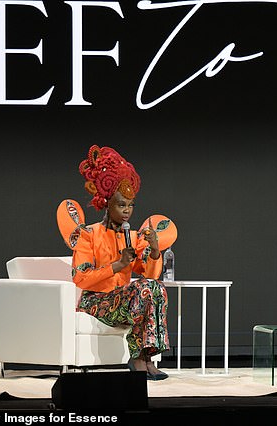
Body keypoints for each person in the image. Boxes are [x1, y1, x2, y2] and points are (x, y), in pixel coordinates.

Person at [71, 144, 170, 380]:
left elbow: (150, 275)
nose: (127, 211)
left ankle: (145, 357)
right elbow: (80, 277)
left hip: (126, 300)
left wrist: (155, 250)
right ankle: (139, 357)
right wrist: (116, 265)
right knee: (143, 290)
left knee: (154, 288)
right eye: (121, 205)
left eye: (130, 205)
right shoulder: (89, 234)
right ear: (107, 204)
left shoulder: (133, 237)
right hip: (97, 301)